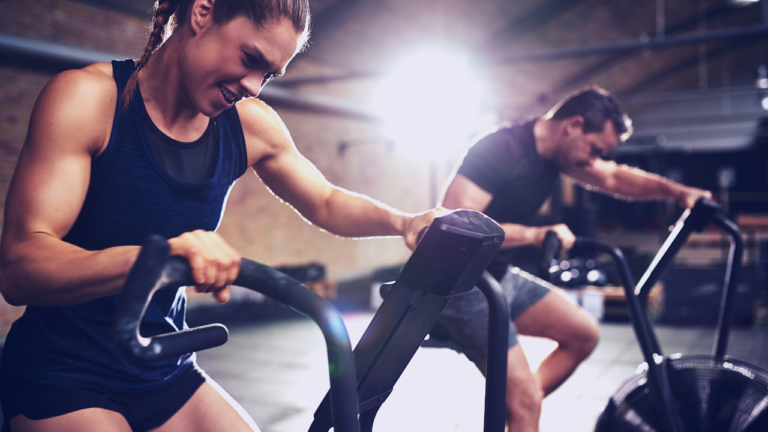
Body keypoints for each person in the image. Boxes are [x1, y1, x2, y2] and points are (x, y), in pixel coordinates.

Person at [0, 1, 440, 431]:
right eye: (251, 59)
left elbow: (325, 201)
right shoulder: (89, 100)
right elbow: (21, 267)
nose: (254, 85)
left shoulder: (248, 125)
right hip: (62, 372)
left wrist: (404, 222)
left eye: (269, 74)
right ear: (203, 11)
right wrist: (161, 256)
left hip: (163, 366)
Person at [431, 86, 712, 432]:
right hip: (461, 286)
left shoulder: (556, 155)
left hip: (499, 275)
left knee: (583, 334)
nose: (592, 161)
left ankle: (520, 403)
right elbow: (453, 228)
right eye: (594, 150)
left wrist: (678, 192)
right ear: (573, 125)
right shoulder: (500, 149)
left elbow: (612, 176)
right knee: (524, 404)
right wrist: (535, 235)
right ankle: (521, 406)